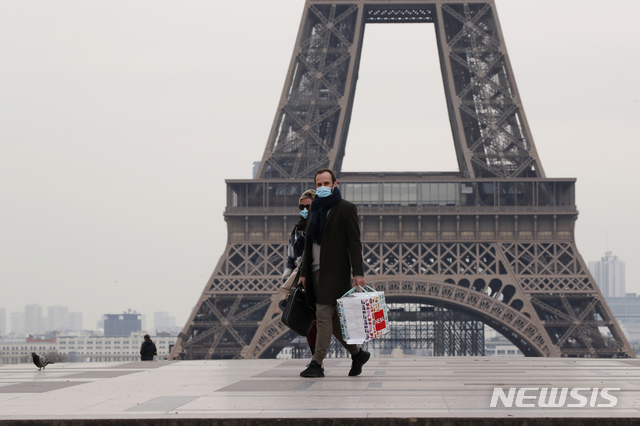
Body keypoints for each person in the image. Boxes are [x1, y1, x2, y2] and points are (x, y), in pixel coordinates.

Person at [299, 168, 370, 378]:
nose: (322, 188)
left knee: (322, 314)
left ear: (335, 184)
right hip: (314, 272)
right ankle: (357, 354)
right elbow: (308, 244)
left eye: (326, 184)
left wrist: (358, 272)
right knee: (335, 322)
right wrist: (304, 272)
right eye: (318, 184)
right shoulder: (314, 209)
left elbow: (354, 242)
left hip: (335, 272)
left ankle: (316, 363)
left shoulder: (346, 208)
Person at [281, 189, 317, 354]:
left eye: (308, 206)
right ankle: (316, 356)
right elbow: (290, 256)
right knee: (307, 320)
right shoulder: (297, 230)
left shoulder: (320, 226)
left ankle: (355, 352)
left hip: (316, 275)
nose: (304, 210)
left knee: (322, 320)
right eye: (301, 207)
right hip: (300, 278)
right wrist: (287, 280)